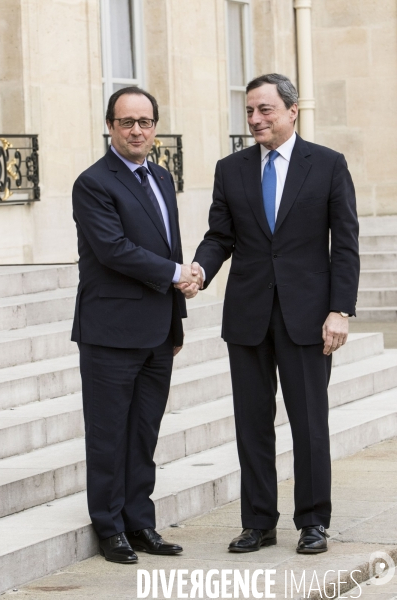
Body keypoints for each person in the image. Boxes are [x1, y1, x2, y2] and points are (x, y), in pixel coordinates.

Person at [177, 73, 359, 554]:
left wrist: (340, 309)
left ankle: (313, 521)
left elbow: (345, 246)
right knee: (251, 422)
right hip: (248, 315)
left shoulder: (328, 165)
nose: (255, 119)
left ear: (292, 111)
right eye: (250, 111)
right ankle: (257, 522)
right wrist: (200, 270)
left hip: (309, 317)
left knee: (309, 422)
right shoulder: (230, 168)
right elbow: (221, 236)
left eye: (265, 110)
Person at [71, 86, 202, 564]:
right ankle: (109, 528)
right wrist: (176, 276)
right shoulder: (93, 183)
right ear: (110, 126)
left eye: (145, 122)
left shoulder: (162, 178)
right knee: (108, 434)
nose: (137, 130)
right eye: (127, 122)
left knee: (144, 432)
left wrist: (177, 320)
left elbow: (170, 245)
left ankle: (139, 521)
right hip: (110, 332)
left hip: (156, 332)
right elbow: (113, 249)